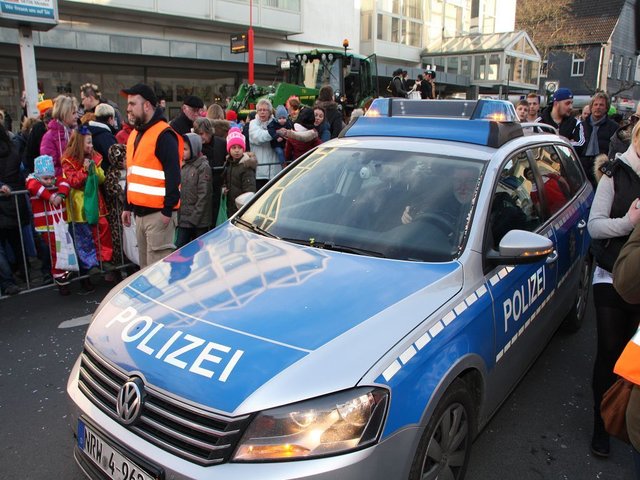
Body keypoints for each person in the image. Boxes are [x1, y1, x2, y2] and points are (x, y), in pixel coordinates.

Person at [587, 121, 640, 458]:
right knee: (611, 350)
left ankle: (629, 419)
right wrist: (629, 222)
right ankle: (602, 424)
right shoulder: (614, 173)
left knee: (634, 359)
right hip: (610, 272)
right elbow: (595, 226)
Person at [121, 83, 183, 268]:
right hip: (141, 215)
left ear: (147, 105)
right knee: (146, 270)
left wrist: (167, 211)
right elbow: (132, 174)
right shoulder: (135, 134)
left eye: (132, 104)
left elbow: (174, 176)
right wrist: (127, 206)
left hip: (158, 215)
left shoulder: (163, 134)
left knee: (158, 273)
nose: (128, 108)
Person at [62, 127, 114, 289]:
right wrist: (84, 170)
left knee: (102, 230)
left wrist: (94, 169)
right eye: (88, 143)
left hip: (97, 202)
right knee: (84, 236)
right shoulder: (68, 160)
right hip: (80, 205)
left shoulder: (94, 157)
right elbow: (73, 182)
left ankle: (104, 259)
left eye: (91, 143)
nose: (91, 146)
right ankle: (90, 265)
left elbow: (101, 178)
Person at [25, 155, 72, 294]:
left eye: (51, 178)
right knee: (56, 251)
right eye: (46, 179)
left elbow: (65, 182)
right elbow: (32, 185)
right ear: (38, 176)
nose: (50, 181)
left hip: (59, 223)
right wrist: (51, 197)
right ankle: (60, 277)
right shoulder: (32, 181)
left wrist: (61, 195)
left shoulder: (56, 180)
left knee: (63, 249)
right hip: (46, 225)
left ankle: (64, 273)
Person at [176, 133, 212, 248]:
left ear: (194, 149)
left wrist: (194, 218)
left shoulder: (202, 167)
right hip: (184, 219)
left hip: (198, 221)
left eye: (185, 149)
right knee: (180, 249)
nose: (182, 152)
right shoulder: (183, 166)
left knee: (199, 250)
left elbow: (204, 195)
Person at [193, 117, 226, 227]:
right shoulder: (194, 146)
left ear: (209, 132)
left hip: (217, 187)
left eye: (202, 133)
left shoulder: (221, 143)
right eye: (197, 134)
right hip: (199, 189)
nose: (200, 137)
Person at [581, 92, 619, 186]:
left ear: (606, 108)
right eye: (596, 104)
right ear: (591, 107)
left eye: (601, 105)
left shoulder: (614, 127)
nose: (598, 107)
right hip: (581, 171)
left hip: (601, 173)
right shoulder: (582, 126)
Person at [40, 95, 79, 176]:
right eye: (73, 113)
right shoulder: (49, 137)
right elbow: (49, 169)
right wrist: (70, 172)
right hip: (60, 182)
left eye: (77, 113)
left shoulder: (75, 134)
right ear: (63, 114)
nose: (77, 116)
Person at [102, 144, 127, 268]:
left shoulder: (131, 170)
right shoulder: (112, 172)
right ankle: (119, 263)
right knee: (119, 238)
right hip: (117, 213)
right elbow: (110, 187)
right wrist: (121, 193)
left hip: (130, 210)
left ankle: (131, 260)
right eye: (123, 159)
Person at [223, 127, 256, 217]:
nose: (237, 150)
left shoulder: (246, 166)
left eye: (240, 147)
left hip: (241, 208)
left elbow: (249, 189)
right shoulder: (229, 164)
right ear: (229, 149)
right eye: (234, 147)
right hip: (231, 206)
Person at [249, 99, 281, 190]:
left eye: (265, 110)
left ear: (270, 112)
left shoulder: (276, 122)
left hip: (275, 170)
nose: (262, 112)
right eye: (260, 110)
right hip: (260, 172)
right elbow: (258, 137)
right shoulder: (253, 123)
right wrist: (275, 134)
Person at [87, 103, 117, 170]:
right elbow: (115, 159)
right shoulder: (107, 137)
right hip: (103, 173)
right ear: (110, 118)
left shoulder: (85, 132)